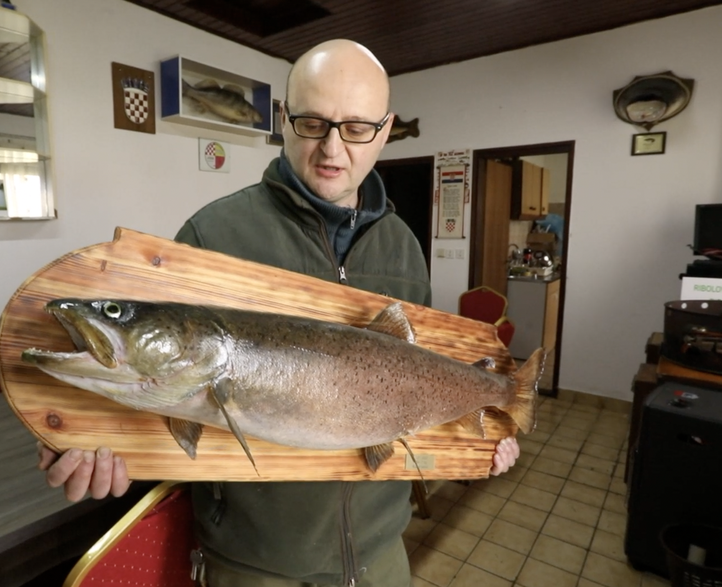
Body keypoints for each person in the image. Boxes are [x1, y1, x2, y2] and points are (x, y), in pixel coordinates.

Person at [38, 39, 521, 587]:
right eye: (313, 123)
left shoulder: (404, 246)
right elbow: (155, 391)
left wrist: (480, 440)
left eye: (358, 128)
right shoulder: (212, 235)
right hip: (254, 563)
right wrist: (87, 439)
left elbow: (418, 378)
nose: (332, 149)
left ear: (385, 131)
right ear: (284, 120)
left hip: (382, 553)